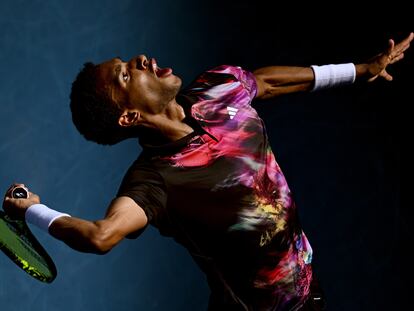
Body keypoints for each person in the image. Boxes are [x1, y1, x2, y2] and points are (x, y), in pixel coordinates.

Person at [3, 33, 413, 311]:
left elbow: (265, 83)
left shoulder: (219, 87)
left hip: (308, 290)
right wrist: (31, 211)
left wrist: (361, 69)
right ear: (129, 116)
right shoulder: (155, 181)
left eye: (128, 61)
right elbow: (101, 235)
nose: (141, 59)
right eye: (127, 74)